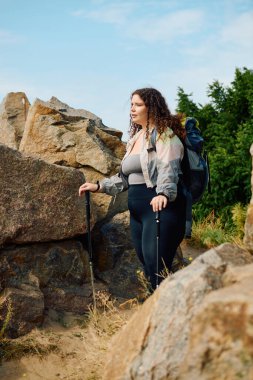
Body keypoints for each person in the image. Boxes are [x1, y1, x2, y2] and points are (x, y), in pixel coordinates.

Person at [79, 88, 186, 291]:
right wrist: (99, 186)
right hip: (138, 212)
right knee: (148, 266)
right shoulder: (136, 139)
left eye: (138, 105)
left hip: (160, 208)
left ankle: (167, 314)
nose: (132, 110)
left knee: (157, 268)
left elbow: (168, 168)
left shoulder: (165, 135)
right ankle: (160, 312)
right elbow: (124, 178)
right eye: (131, 105)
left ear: (151, 108)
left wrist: (163, 193)